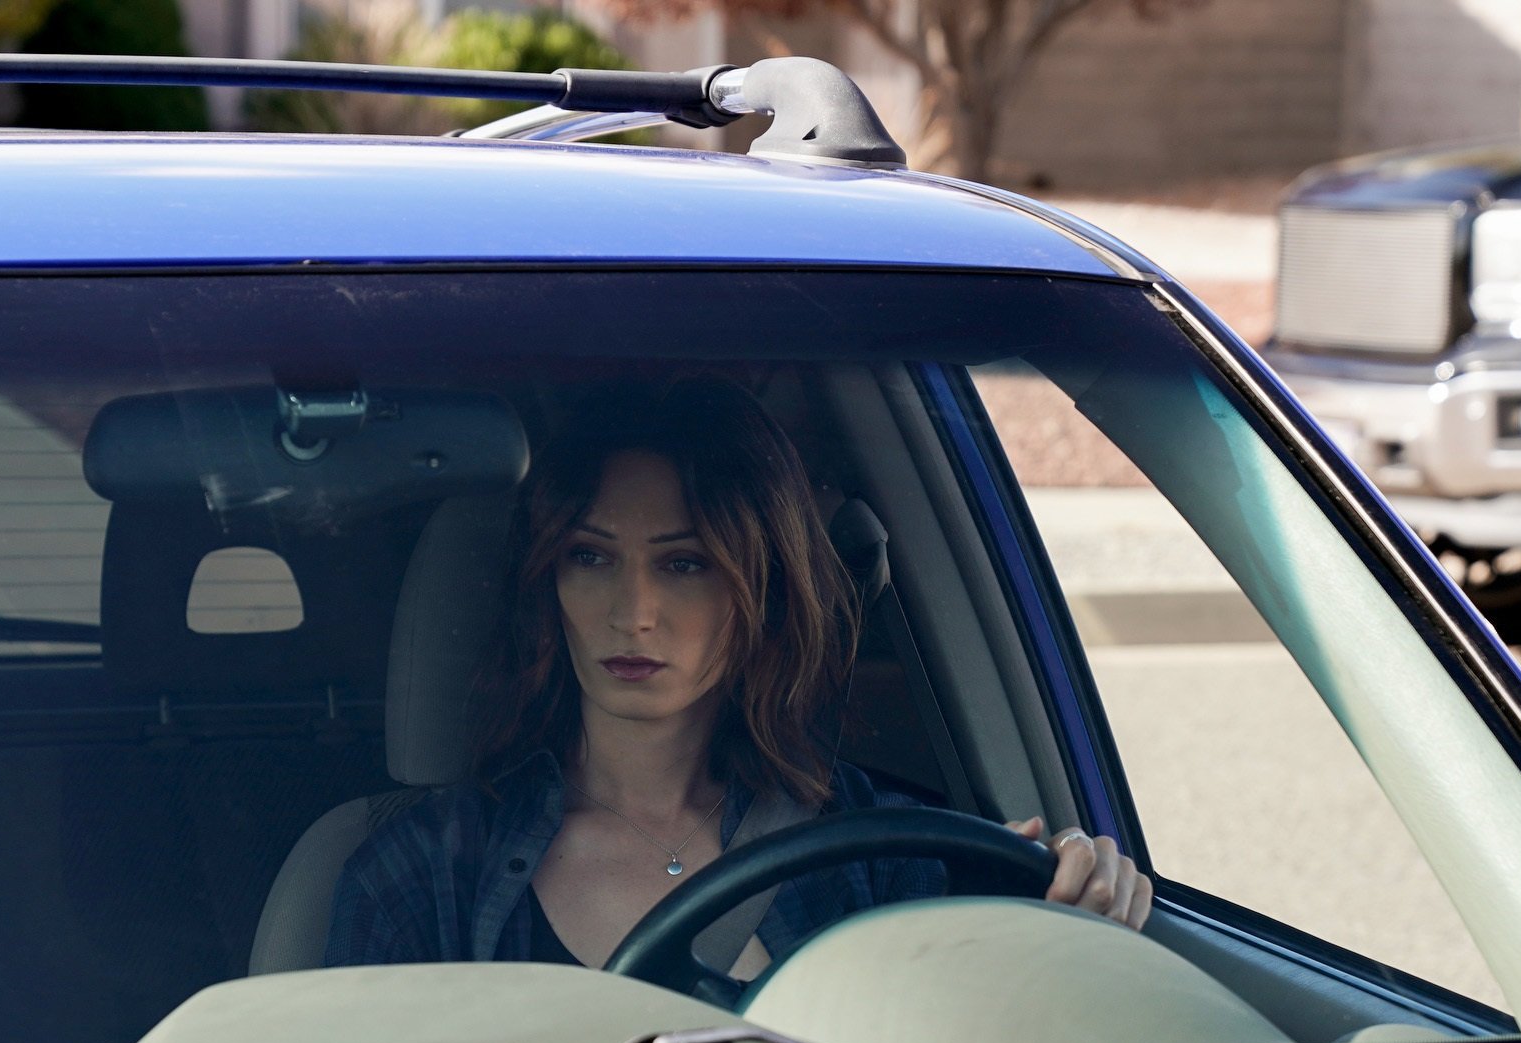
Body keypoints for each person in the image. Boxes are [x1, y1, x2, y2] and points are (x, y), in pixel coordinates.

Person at [324, 378, 1149, 985]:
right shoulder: (423, 875)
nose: (633, 612)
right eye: (591, 557)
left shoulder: (884, 856)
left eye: (684, 564)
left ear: (761, 591)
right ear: (549, 582)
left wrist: (1076, 887)